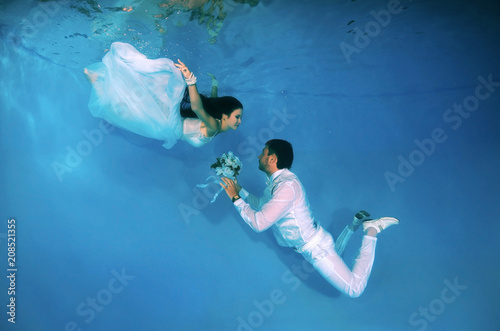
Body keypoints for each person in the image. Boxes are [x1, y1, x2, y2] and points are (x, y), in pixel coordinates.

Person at [219, 139, 399, 298]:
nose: (258, 157)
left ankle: (371, 230)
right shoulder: (276, 184)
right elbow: (260, 205)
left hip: (316, 248)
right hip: (316, 240)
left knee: (355, 289)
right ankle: (353, 225)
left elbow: (259, 223)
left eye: (263, 153)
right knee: (335, 250)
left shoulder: (287, 187)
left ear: (272, 159)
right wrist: (239, 189)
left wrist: (235, 198)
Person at [84, 42, 243, 149]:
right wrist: (190, 80)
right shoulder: (214, 127)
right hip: (169, 125)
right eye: (237, 116)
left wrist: (214, 85)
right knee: (128, 111)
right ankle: (97, 81)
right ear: (224, 116)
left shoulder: (215, 123)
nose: (240, 121)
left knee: (134, 105)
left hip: (170, 122)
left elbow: (212, 104)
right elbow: (197, 107)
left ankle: (103, 79)